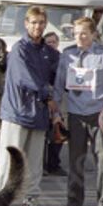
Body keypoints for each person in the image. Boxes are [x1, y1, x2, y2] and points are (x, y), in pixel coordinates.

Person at [0, 6, 60, 206]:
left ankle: (30, 199)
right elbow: (25, 78)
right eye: (33, 22)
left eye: (41, 22)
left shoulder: (49, 52)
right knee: (10, 160)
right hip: (17, 112)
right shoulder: (19, 49)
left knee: (34, 161)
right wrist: (48, 95)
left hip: (39, 113)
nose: (37, 27)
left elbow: (59, 76)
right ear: (26, 23)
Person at [53, 17, 103, 206]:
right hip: (75, 113)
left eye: (83, 34)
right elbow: (59, 85)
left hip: (98, 112)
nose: (79, 38)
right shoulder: (68, 55)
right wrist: (56, 112)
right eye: (76, 34)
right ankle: (73, 202)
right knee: (75, 160)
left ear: (93, 34)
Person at [42, 31, 66, 176]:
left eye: (53, 42)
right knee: (44, 135)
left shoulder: (61, 58)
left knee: (58, 133)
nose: (51, 44)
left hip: (59, 98)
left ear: (57, 43)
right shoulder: (42, 57)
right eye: (48, 42)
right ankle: (42, 165)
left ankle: (54, 164)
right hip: (45, 98)